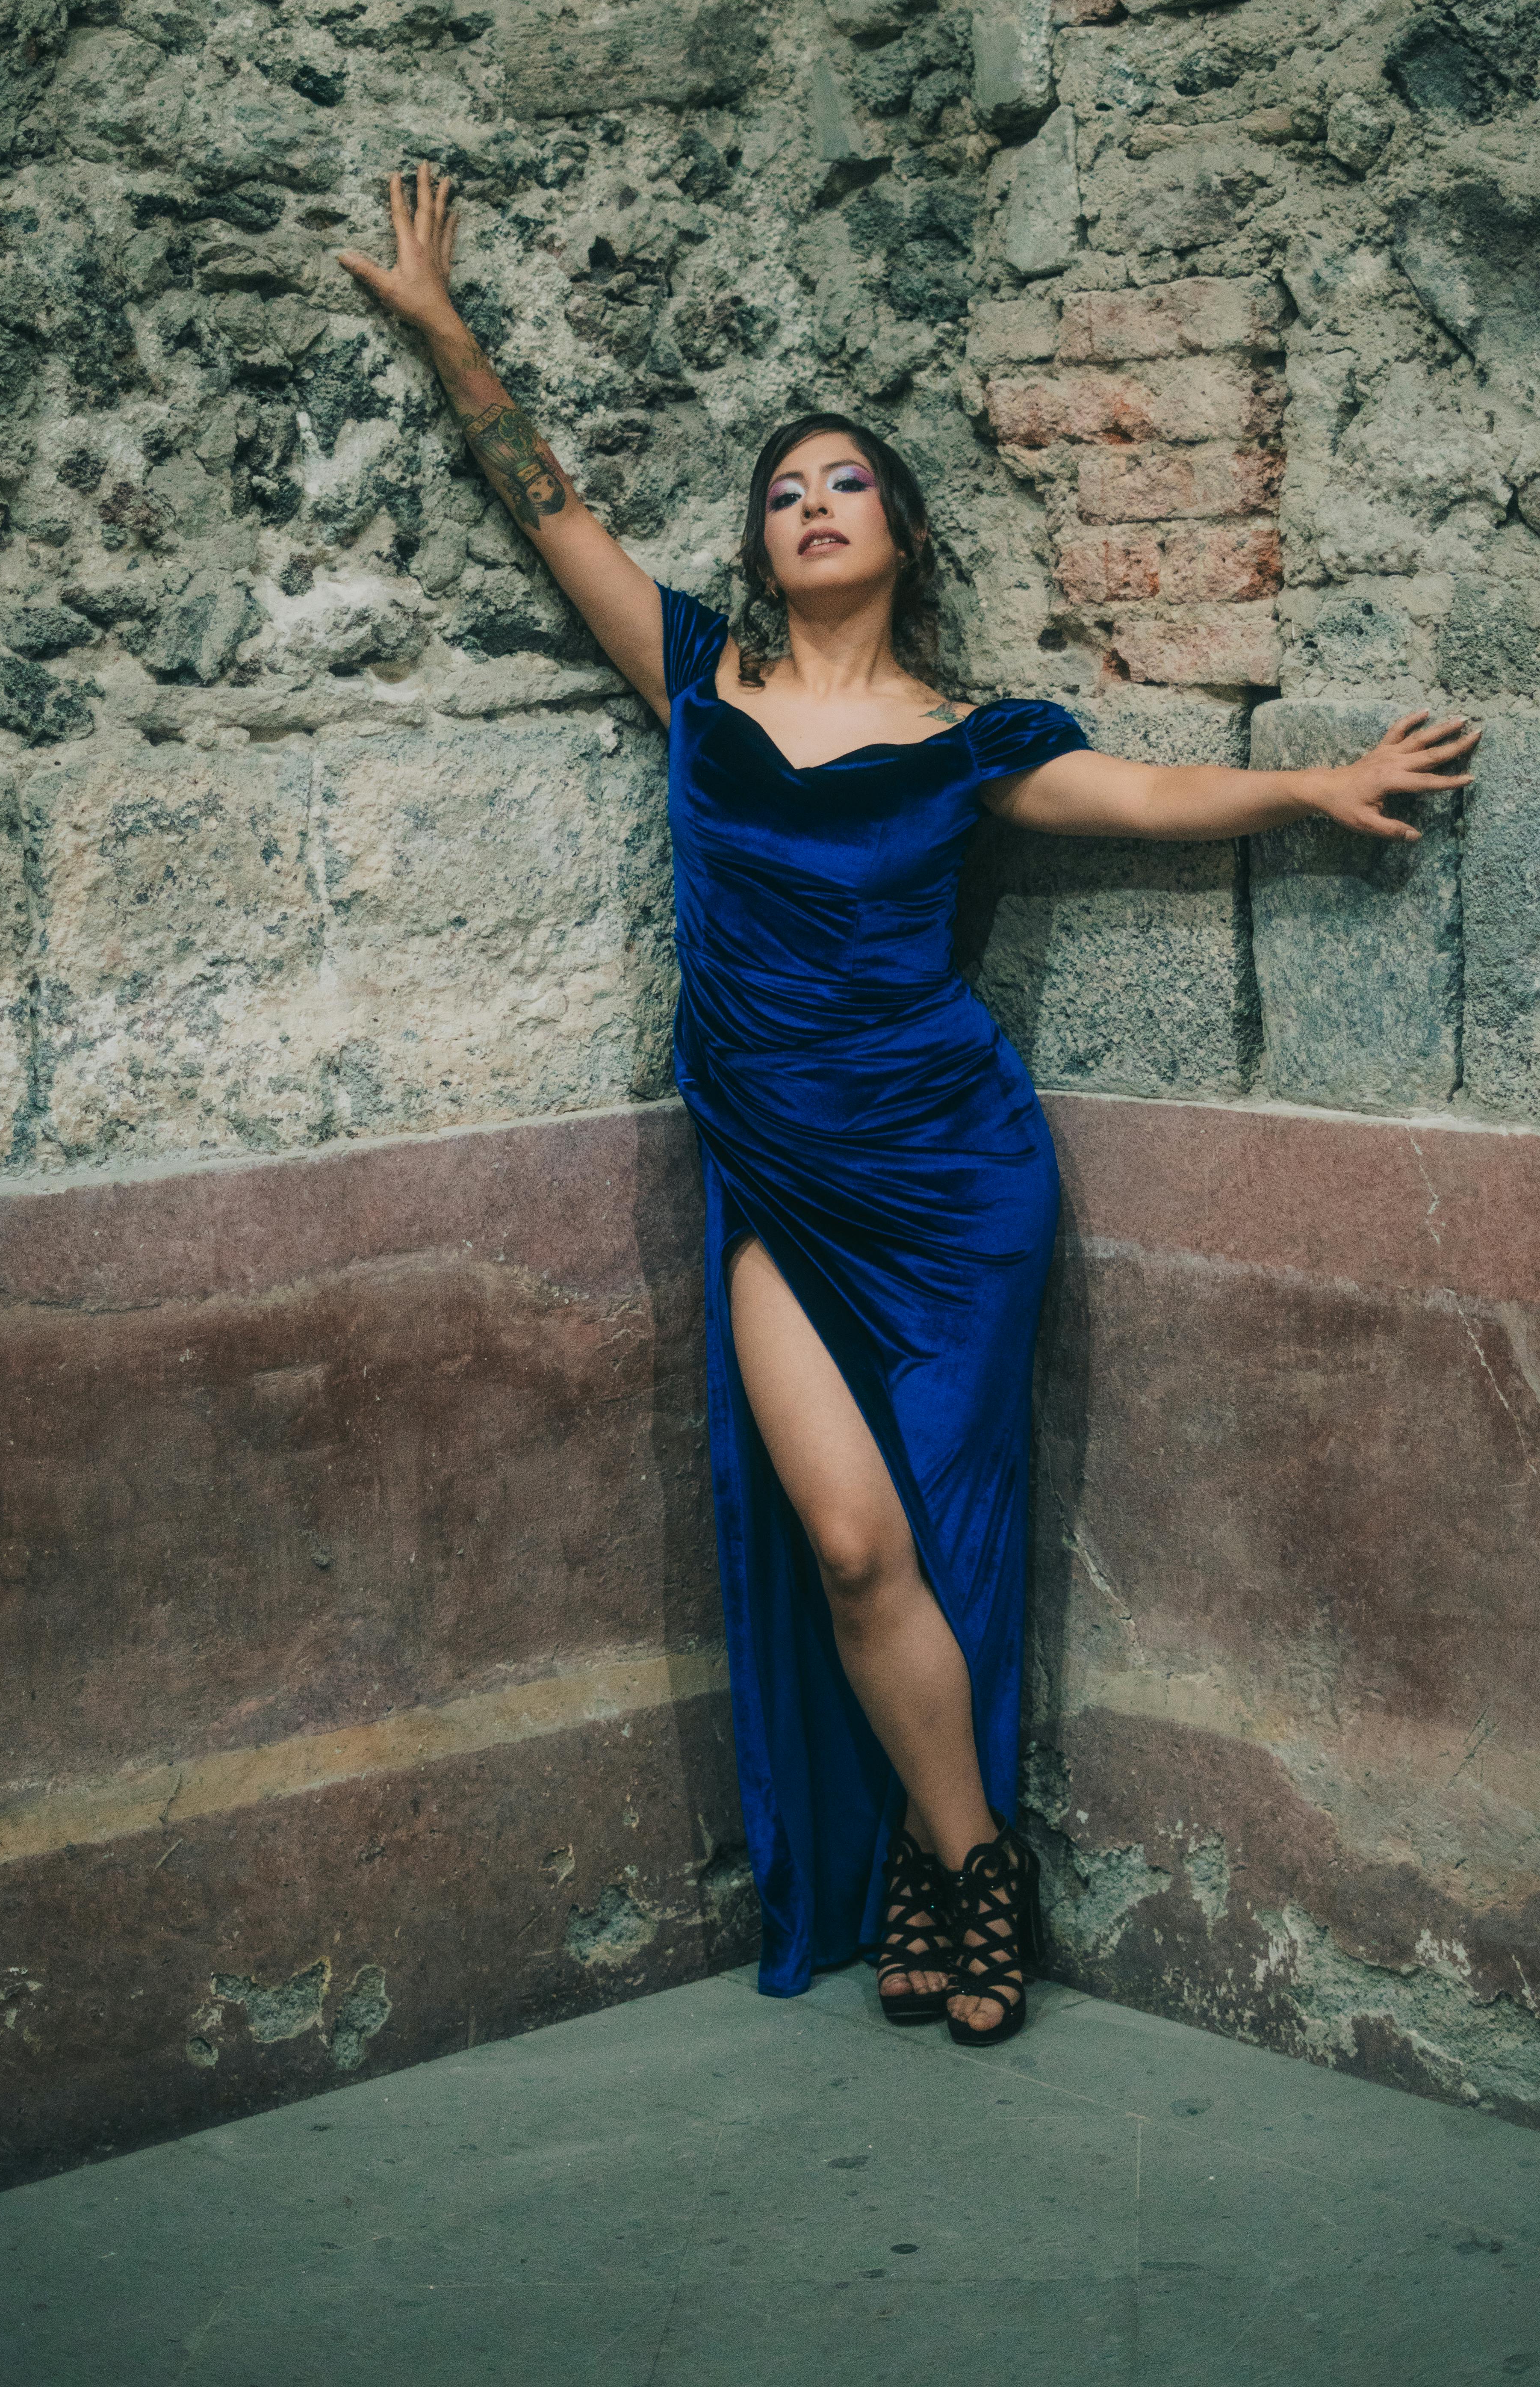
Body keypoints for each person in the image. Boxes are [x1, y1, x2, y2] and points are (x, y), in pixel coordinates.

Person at [341, 165, 1479, 2045]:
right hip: (785, 1189)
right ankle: (973, 1857)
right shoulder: (696, 680)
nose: (806, 504)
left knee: (943, 1528)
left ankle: (951, 1879)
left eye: (841, 479)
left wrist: (1312, 784)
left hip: (957, 1186)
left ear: (903, 526)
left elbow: (1140, 795)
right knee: (851, 1540)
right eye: (782, 488)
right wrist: (448, 329)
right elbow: (551, 509)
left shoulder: (968, 742)